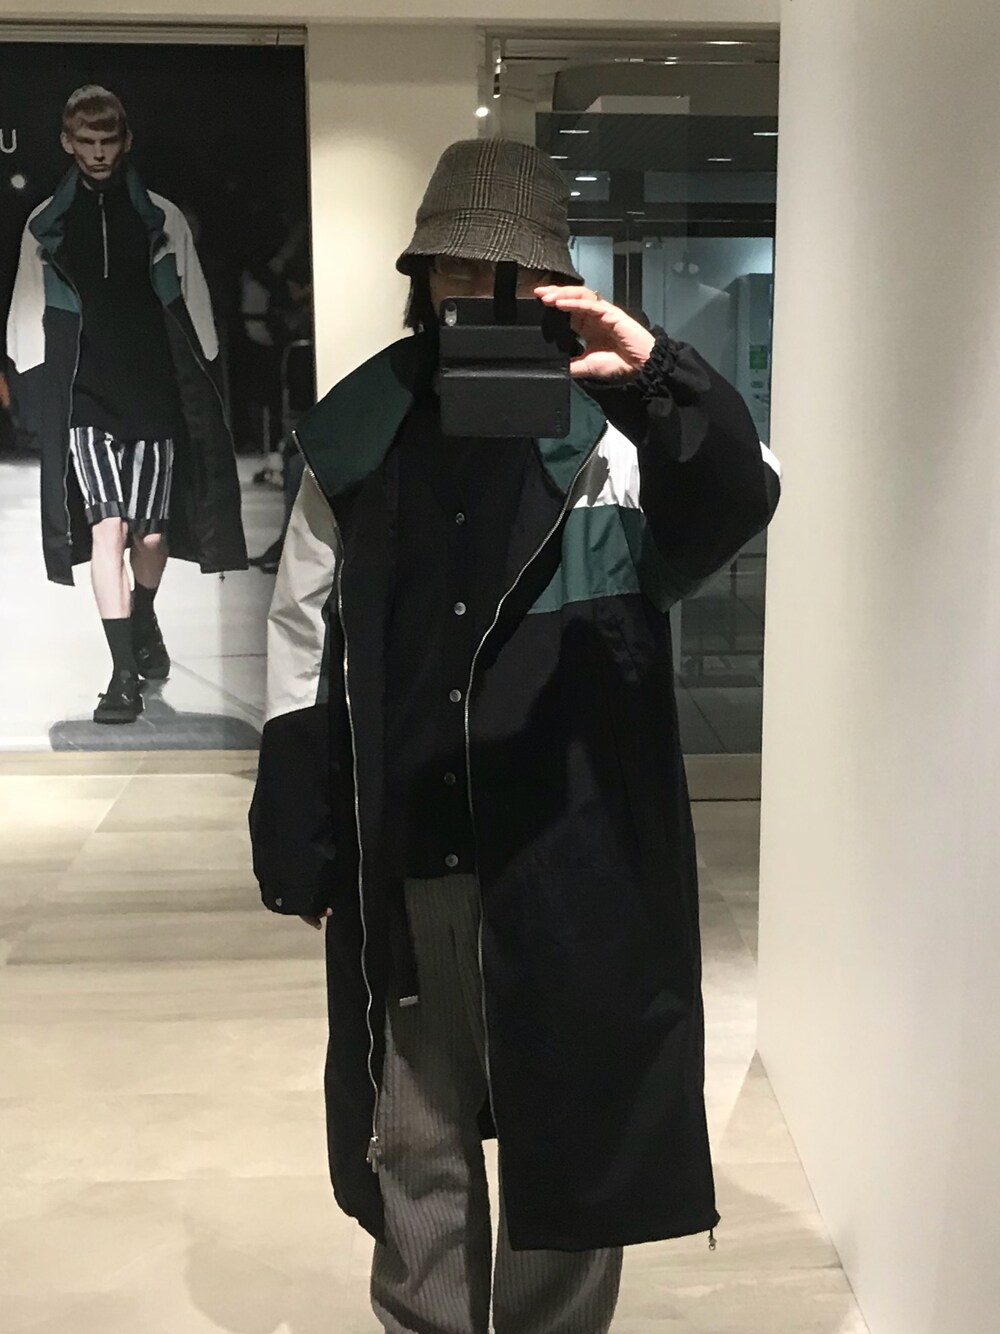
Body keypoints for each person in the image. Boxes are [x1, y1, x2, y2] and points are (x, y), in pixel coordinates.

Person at [248, 138, 782, 1334]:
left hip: (572, 852)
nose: (481, 297)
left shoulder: (614, 434)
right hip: (416, 848)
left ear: (556, 284)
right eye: (456, 270)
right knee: (414, 1132)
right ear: (420, 275)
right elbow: (301, 625)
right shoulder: (363, 429)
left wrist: (656, 376)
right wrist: (300, 819)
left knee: (574, 1125)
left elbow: (737, 494)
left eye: (515, 276)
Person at [4, 85, 247, 724]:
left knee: (151, 532)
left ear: (125, 141)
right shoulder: (46, 223)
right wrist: (32, 392)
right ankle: (120, 675)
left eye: (107, 141)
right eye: (86, 141)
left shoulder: (161, 218)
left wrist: (207, 376)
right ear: (67, 142)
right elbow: (26, 308)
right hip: (85, 396)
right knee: (106, 528)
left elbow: (194, 302)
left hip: (153, 394)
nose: (97, 153)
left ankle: (144, 616)